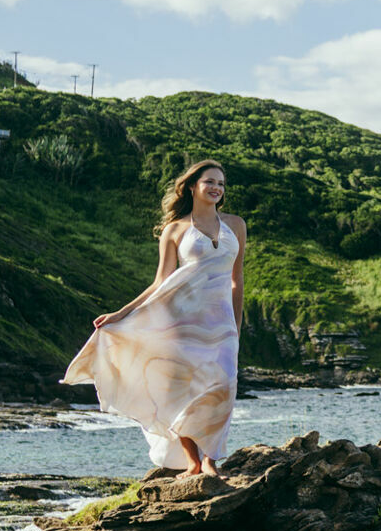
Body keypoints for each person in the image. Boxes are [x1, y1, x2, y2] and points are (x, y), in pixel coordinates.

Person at [66, 159, 247, 476]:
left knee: (223, 386)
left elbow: (237, 280)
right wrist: (122, 313)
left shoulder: (236, 225)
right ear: (193, 186)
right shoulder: (175, 229)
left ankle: (211, 459)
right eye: (210, 182)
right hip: (181, 323)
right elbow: (160, 282)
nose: (217, 188)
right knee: (183, 389)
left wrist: (238, 323)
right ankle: (195, 462)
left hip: (222, 324)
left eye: (221, 183)